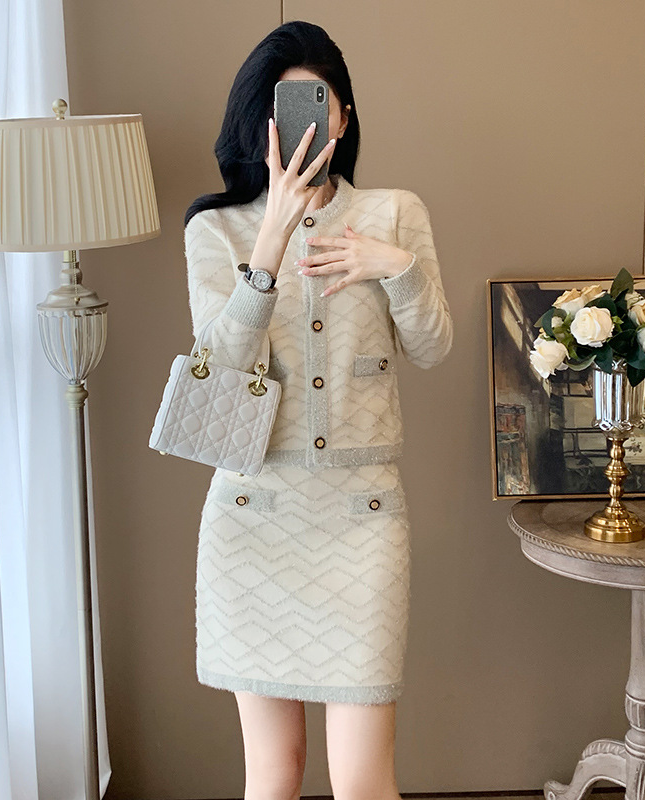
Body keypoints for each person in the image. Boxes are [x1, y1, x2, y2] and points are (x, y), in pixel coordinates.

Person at [183, 19, 453, 800]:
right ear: (258, 121)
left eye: (319, 104)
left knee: (364, 780)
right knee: (275, 775)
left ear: (344, 116)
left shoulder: (396, 212)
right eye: (284, 107)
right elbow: (219, 368)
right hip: (253, 518)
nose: (304, 124)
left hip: (362, 520)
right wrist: (269, 241)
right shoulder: (215, 229)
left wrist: (395, 266)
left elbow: (433, 347)